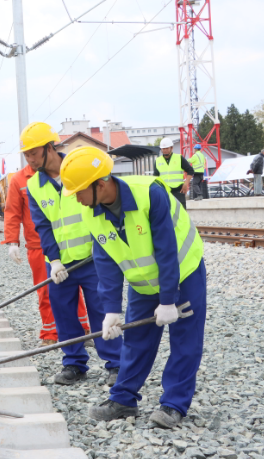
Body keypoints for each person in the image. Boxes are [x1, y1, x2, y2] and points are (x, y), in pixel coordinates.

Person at [59, 146, 206, 429]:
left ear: (100, 185)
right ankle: (123, 399)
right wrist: (111, 310)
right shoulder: (91, 211)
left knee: (184, 341)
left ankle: (174, 404)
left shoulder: (149, 193)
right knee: (137, 340)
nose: (76, 198)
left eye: (78, 191)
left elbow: (166, 250)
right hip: (142, 281)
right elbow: (106, 261)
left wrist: (167, 300)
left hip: (184, 272)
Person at [21, 122, 121, 386]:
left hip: (92, 259)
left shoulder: (76, 169)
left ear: (50, 148)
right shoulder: (34, 186)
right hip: (60, 264)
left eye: (33, 152)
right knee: (63, 313)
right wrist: (53, 260)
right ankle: (74, 364)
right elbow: (43, 226)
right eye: (26, 154)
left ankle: (116, 363)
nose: (29, 158)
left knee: (101, 310)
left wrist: (102, 250)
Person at [1, 161, 90, 346]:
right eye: (28, 154)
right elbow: (12, 211)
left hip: (68, 243)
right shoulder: (20, 180)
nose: (32, 157)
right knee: (46, 291)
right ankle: (50, 333)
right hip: (38, 246)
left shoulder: (65, 172)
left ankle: (83, 329)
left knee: (75, 289)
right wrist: (12, 241)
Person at [154, 138, 193, 209]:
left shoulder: (179, 158)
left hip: (178, 190)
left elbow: (190, 170)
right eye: (163, 148)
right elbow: (155, 177)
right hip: (164, 191)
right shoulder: (158, 161)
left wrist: (186, 183)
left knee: (181, 213)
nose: (164, 150)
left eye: (166, 148)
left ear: (171, 148)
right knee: (167, 213)